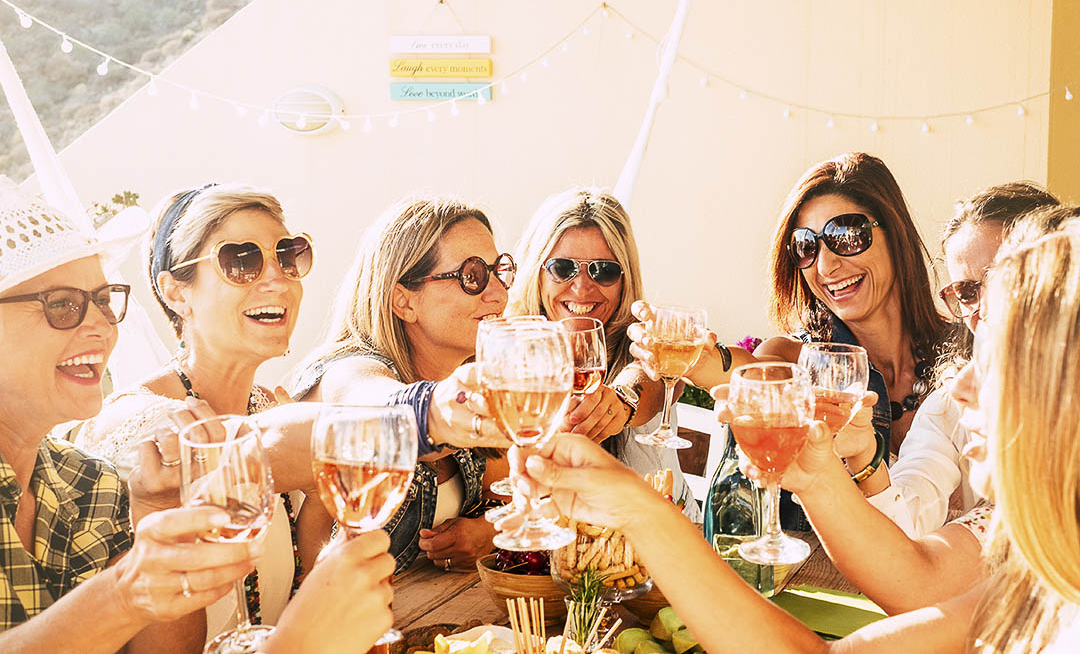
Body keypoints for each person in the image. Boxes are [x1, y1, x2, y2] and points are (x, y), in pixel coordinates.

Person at [515, 214, 1080, 652]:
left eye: (1004, 356)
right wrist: (641, 509)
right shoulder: (1044, 577)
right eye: (806, 245)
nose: (961, 388)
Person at [0, 181, 256, 650]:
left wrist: (157, 515)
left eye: (103, 298)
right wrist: (123, 595)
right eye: (61, 304)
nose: (101, 324)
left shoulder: (92, 484)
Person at [630, 153, 950, 527]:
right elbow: (756, 376)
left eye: (846, 236)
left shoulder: (969, 356)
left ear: (894, 234)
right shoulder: (792, 357)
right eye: (806, 247)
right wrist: (700, 362)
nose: (826, 266)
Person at [76, 183, 322, 637]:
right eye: (241, 262)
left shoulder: (267, 406)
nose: (277, 278)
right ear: (176, 293)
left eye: (288, 255)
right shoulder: (145, 424)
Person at [291, 195, 512, 573]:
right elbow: (375, 407)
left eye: (499, 271)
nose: (498, 293)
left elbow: (515, 495)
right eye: (472, 276)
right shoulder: (348, 371)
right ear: (403, 301)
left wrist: (488, 531)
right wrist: (436, 409)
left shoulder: (469, 377)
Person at [864, 182, 1059, 535]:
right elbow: (903, 523)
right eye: (967, 291)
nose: (985, 306)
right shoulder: (952, 404)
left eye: (1003, 278)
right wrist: (861, 458)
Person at [507, 187, 698, 517]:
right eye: (562, 268)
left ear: (625, 279)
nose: (581, 287)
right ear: (537, 273)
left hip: (665, 554)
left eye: (603, 270)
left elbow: (655, 377)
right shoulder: (507, 353)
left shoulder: (645, 341)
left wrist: (622, 400)